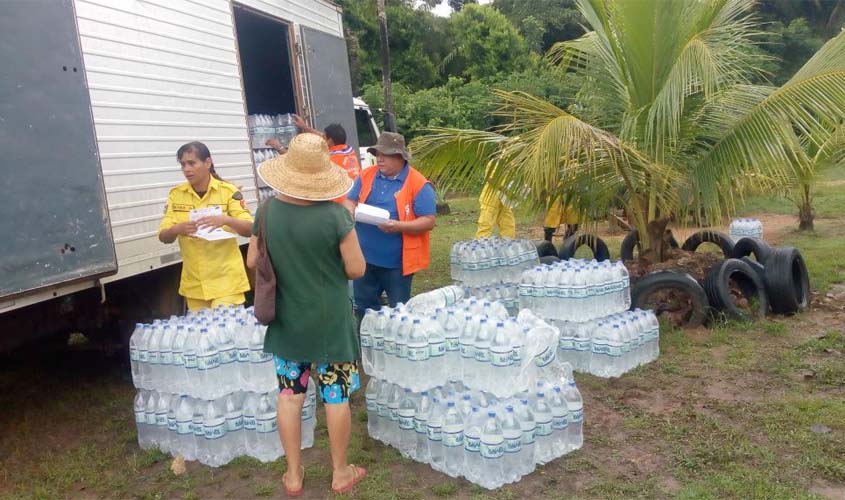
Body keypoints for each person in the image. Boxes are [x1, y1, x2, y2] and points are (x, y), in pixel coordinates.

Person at [246, 133, 368, 496]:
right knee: (336, 394)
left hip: (287, 320)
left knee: (289, 395)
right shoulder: (336, 216)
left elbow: (253, 260)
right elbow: (357, 269)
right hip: (330, 320)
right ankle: (341, 472)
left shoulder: (266, 211)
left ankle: (294, 474)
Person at [343, 132, 437, 315]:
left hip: (397, 264)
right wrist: (349, 209)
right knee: (364, 308)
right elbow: (350, 200)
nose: (379, 159)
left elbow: (429, 221)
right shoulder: (367, 175)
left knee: (399, 312)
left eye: (385, 155)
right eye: (377, 154)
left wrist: (399, 226)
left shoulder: (418, 183)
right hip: (364, 259)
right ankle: (366, 342)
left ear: (399, 157)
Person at [158, 142, 254, 311]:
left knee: (224, 335)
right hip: (195, 286)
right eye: (183, 165)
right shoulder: (176, 194)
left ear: (208, 163)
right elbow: (163, 236)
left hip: (226, 283)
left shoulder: (229, 191)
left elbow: (250, 229)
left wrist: (226, 220)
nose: (186, 169)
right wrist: (177, 229)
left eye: (192, 163)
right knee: (202, 336)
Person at [267, 117, 361, 182]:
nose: (321, 139)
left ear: (330, 141)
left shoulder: (329, 159)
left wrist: (279, 147)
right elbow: (325, 137)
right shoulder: (349, 150)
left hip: (340, 199)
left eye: (324, 137)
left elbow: (297, 161)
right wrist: (305, 127)